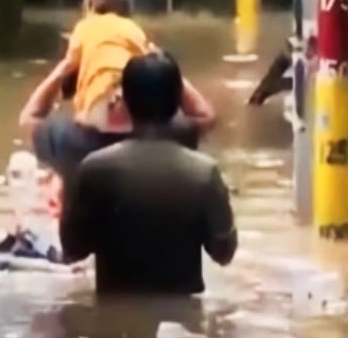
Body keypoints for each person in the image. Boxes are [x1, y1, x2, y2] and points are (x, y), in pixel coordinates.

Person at [18, 0, 214, 214]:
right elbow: (205, 116)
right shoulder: (167, 139)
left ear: (93, 5)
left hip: (89, 135)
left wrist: (65, 66)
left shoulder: (70, 141)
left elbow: (29, 118)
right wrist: (161, 62)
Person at [59, 51, 238, 295]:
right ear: (177, 102)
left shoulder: (94, 169)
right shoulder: (204, 173)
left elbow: (72, 249)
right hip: (184, 324)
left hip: (114, 319)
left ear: (125, 102)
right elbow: (224, 253)